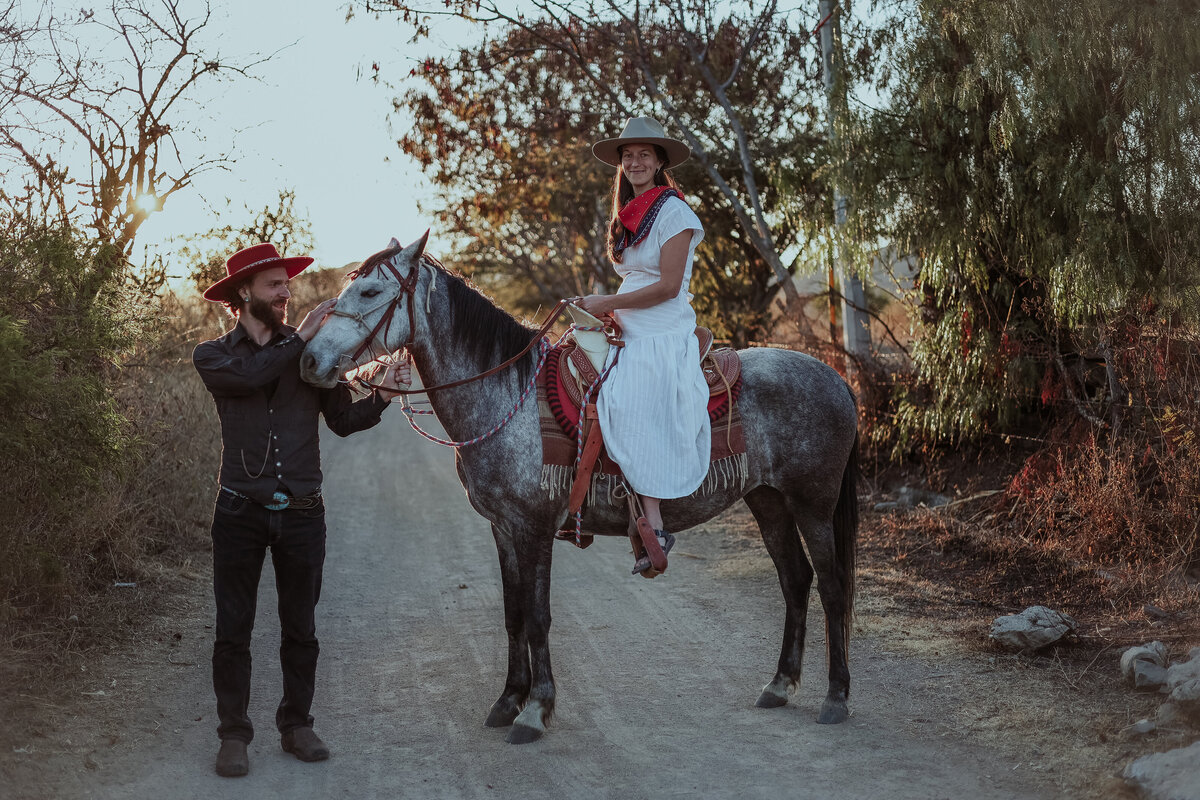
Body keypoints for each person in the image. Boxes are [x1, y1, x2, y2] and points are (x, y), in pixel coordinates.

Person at [192, 242, 410, 777]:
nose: (286, 294)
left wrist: (381, 398)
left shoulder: (310, 356)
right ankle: (234, 735)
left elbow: (341, 421)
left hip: (303, 514)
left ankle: (296, 725)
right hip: (239, 511)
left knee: (301, 627)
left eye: (287, 285)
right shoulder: (214, 355)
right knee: (233, 630)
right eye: (274, 285)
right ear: (244, 294)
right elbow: (250, 378)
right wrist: (302, 338)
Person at [575, 116, 711, 574]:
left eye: (644, 155)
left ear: (659, 163)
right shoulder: (631, 214)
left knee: (629, 391)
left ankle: (653, 522)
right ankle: (577, 498)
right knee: (573, 372)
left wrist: (606, 301)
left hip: (662, 326)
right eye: (628, 155)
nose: (635, 162)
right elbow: (637, 279)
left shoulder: (675, 213)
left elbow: (669, 286)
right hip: (630, 318)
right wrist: (604, 308)